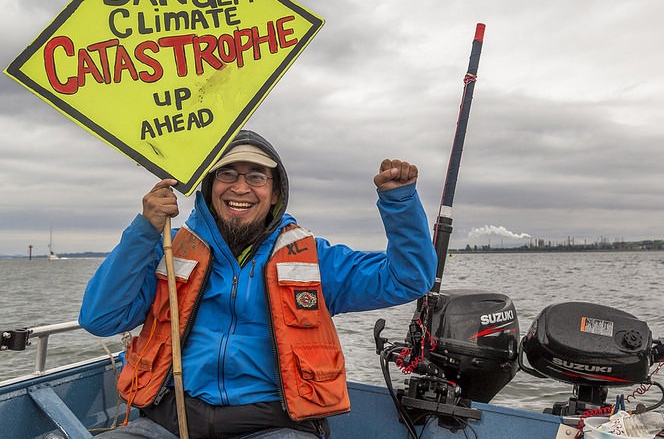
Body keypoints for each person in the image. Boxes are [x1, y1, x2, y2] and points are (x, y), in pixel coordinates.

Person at [79, 130, 437, 438]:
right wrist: (145, 230)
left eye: (256, 177)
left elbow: (408, 278)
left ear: (276, 192)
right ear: (208, 187)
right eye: (228, 174)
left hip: (273, 426)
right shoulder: (169, 250)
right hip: (170, 422)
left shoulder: (313, 257)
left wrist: (399, 201)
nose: (240, 187)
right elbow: (101, 319)